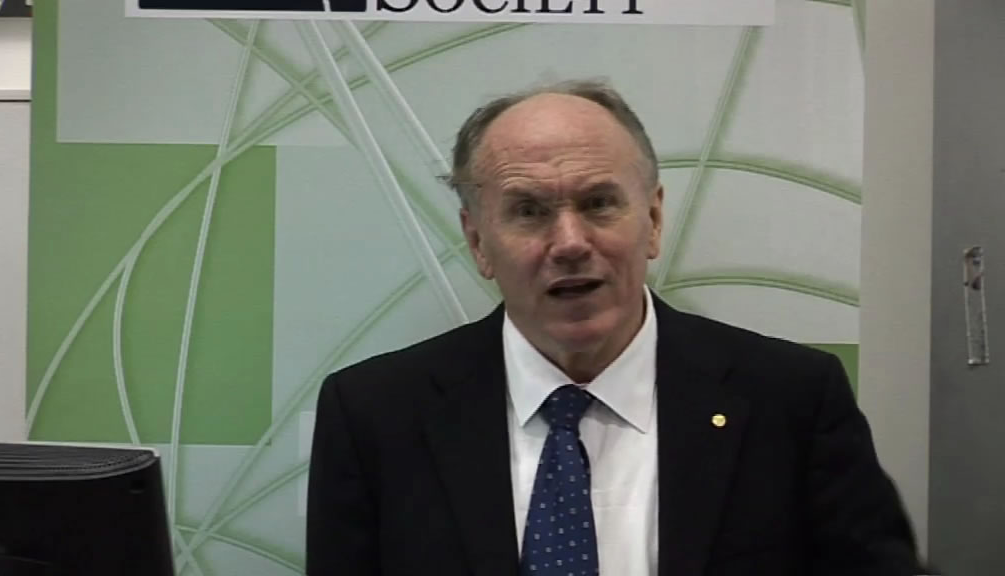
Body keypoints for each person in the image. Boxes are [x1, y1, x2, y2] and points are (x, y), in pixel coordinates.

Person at [305, 80, 924, 575]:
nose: (570, 242)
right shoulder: (375, 414)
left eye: (599, 203)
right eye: (528, 211)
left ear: (652, 220)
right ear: (478, 241)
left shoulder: (790, 398)